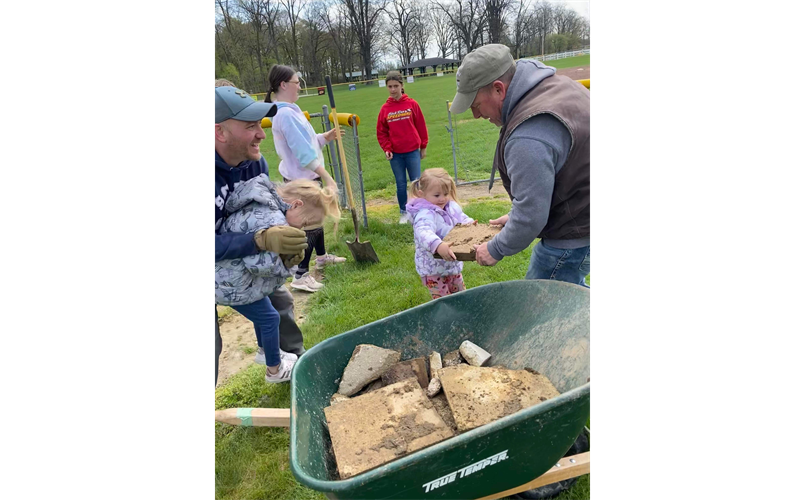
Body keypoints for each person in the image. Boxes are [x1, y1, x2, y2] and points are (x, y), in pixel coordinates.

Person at [450, 44, 591, 288]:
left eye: (475, 104)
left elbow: (531, 216)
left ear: (498, 89)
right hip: (583, 216)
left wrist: (495, 248)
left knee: (543, 305)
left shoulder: (528, 135)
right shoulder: (558, 86)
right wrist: (516, 215)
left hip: (576, 232)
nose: (475, 115)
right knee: (571, 299)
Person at [214, 83, 309, 389]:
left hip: (238, 257)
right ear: (220, 132)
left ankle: (292, 368)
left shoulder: (254, 163)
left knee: (279, 299)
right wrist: (258, 240)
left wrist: (286, 227)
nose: (262, 134)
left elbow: (265, 206)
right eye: (251, 126)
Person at [215, 175, 341, 382]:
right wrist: (286, 264)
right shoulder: (273, 222)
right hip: (229, 283)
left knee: (265, 307)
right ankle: (275, 371)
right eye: (306, 223)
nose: (302, 229)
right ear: (296, 205)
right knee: (270, 318)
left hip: (228, 274)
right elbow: (259, 267)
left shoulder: (264, 204)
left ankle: (265, 351)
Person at [265, 64, 347, 293]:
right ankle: (300, 274)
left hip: (305, 176)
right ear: (283, 85)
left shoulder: (292, 109)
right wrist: (327, 177)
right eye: (296, 82)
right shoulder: (284, 114)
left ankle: (321, 257)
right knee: (309, 224)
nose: (300, 85)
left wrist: (323, 137)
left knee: (316, 219)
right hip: (302, 180)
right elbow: (303, 154)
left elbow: (307, 142)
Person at [406, 168, 476, 301]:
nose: (442, 199)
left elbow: (460, 218)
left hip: (451, 265)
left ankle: (463, 315)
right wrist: (437, 245)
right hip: (433, 269)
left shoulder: (450, 207)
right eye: (437, 195)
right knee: (444, 302)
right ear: (422, 194)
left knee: (461, 296)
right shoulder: (425, 214)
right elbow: (423, 232)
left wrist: (469, 224)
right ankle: (447, 319)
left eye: (446, 193)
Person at [377, 71, 429, 224]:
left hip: (412, 150)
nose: (393, 90)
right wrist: (387, 148)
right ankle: (403, 212)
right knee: (400, 184)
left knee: (416, 182)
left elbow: (421, 126)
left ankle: (418, 210)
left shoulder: (412, 104)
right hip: (396, 155)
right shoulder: (385, 109)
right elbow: (381, 132)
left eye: (396, 86)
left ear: (402, 86)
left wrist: (423, 146)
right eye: (390, 87)